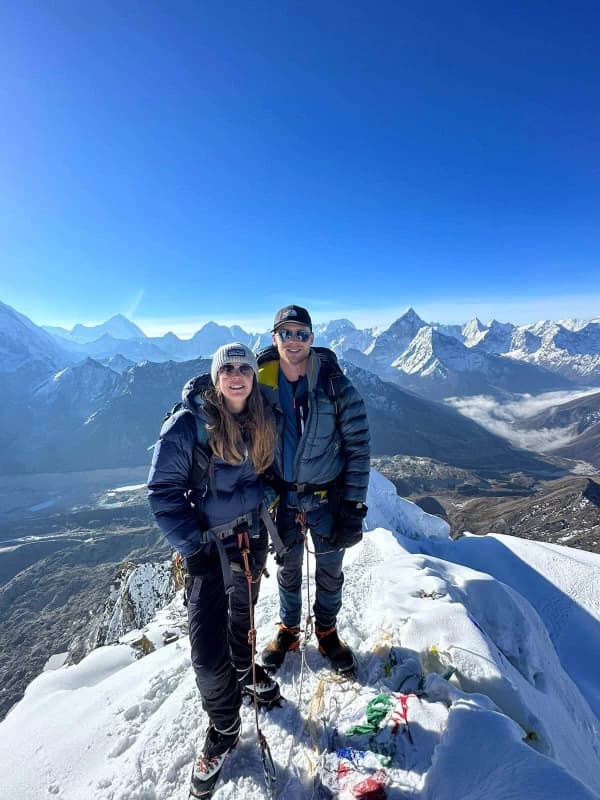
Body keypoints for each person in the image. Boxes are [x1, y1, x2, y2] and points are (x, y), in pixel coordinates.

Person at [147, 343, 280, 798]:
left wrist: (270, 499)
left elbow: (267, 471)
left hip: (250, 540)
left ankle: (244, 674)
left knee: (244, 619)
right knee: (206, 652)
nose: (237, 375)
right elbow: (162, 492)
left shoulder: (262, 416)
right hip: (207, 548)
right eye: (228, 368)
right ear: (216, 376)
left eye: (244, 367)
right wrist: (193, 547)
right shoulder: (189, 425)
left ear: (253, 375)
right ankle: (224, 728)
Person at [258, 305, 370, 675]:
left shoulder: (335, 385)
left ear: (312, 338)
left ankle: (327, 631)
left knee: (330, 571)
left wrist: (353, 506)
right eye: (286, 333)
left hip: (328, 498)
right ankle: (289, 630)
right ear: (274, 338)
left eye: (301, 333)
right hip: (285, 498)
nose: (294, 341)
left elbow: (358, 447)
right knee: (288, 569)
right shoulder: (261, 384)